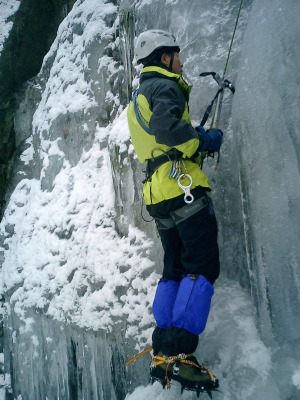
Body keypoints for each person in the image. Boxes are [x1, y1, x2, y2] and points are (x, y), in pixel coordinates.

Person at [127, 29, 222, 392]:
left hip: (157, 192)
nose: (181, 62)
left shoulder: (138, 97)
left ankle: (164, 348)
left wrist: (191, 138)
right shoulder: (164, 85)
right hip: (181, 186)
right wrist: (203, 139)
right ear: (164, 58)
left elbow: (157, 135)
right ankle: (181, 352)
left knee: (175, 268)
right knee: (202, 265)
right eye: (177, 55)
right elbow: (169, 129)